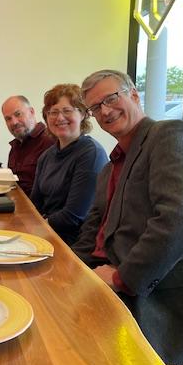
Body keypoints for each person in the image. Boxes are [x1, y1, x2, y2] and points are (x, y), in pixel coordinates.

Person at [72, 69, 183, 365]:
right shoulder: (110, 168)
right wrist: (68, 268)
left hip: (156, 295)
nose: (105, 111)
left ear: (134, 94)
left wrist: (121, 278)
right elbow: (93, 229)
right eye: (95, 107)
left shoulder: (170, 135)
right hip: (104, 276)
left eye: (111, 98)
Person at [30, 84, 108, 245]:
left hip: (74, 242)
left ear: (83, 114)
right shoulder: (46, 156)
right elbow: (35, 204)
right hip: (47, 233)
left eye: (67, 111)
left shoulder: (91, 154)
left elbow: (74, 216)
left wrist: (37, 228)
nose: (60, 118)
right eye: (53, 112)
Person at [1, 95, 55, 194]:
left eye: (18, 114)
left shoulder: (50, 142)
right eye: (8, 119)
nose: (14, 122)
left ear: (31, 112)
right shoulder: (15, 146)